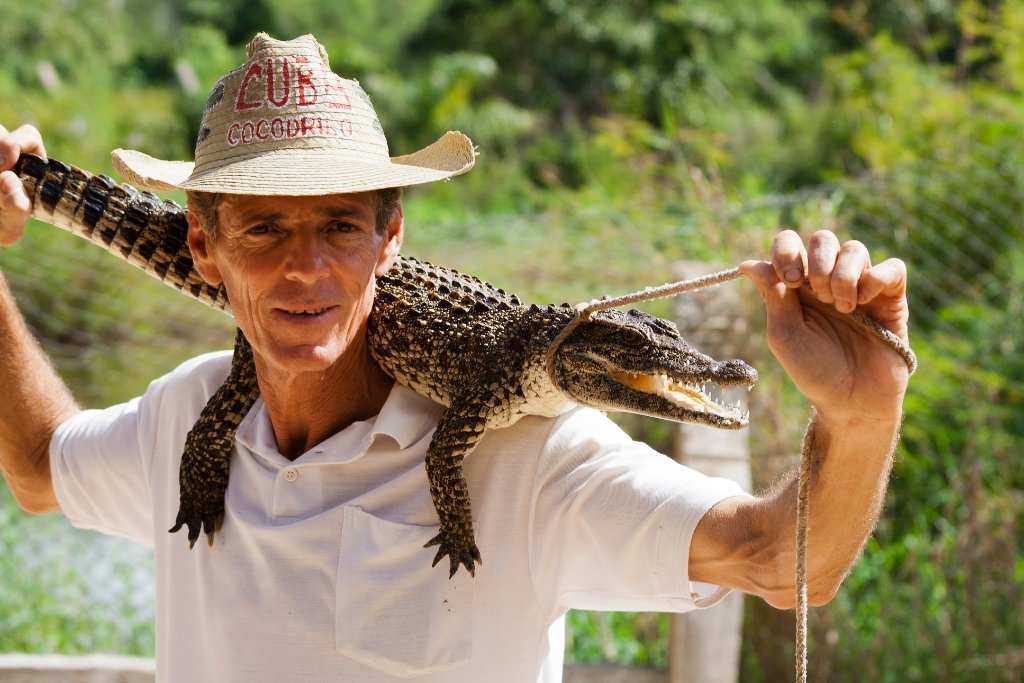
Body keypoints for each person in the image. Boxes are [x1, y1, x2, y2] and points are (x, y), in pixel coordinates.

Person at [0, 33, 909, 682]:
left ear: (389, 237)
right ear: (205, 248)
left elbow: (786, 561)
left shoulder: (539, 454)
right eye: (265, 227)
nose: (305, 267)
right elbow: (40, 468)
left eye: (341, 226)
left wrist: (861, 418)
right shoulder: (188, 409)